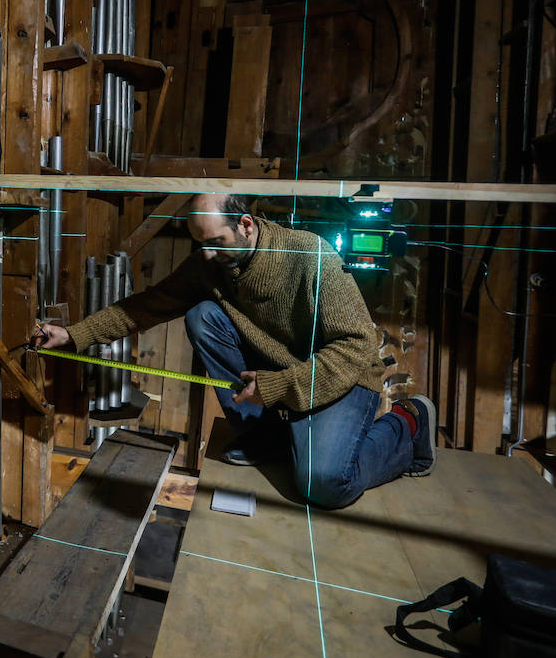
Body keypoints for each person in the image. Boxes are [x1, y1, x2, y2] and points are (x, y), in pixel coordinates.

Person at [31, 193, 435, 508]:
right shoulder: (210, 264)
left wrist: (280, 386)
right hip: (278, 378)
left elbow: (356, 347)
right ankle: (268, 435)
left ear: (245, 225)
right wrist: (73, 335)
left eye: (216, 241)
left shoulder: (310, 258)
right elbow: (144, 307)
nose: (206, 253)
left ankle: (408, 422)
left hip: (341, 378)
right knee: (202, 315)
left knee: (325, 485)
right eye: (199, 243)